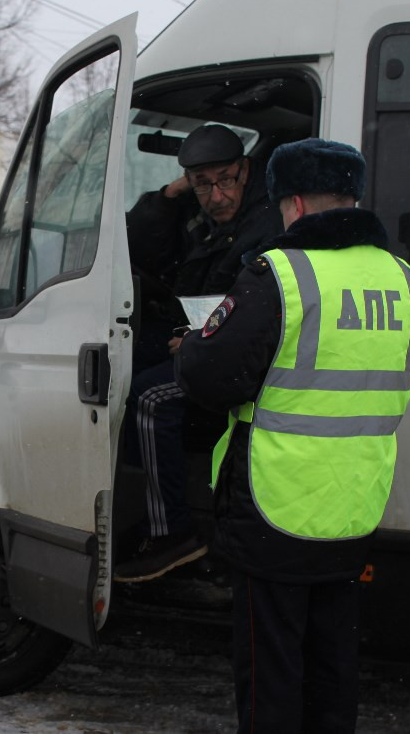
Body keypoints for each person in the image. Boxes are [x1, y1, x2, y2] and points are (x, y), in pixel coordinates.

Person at [176, 138, 410, 733]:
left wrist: (190, 346)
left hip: (276, 501)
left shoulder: (280, 274)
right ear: (349, 197)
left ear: (291, 203)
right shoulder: (406, 280)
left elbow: (212, 378)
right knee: (332, 658)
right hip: (352, 500)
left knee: (271, 668)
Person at [115, 124, 282, 582]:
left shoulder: (265, 221)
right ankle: (135, 500)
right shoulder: (197, 207)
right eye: (202, 183)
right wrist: (169, 195)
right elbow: (132, 242)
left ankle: (175, 534)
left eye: (225, 179)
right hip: (193, 331)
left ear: (245, 170)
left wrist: (200, 338)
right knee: (114, 364)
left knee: (151, 397)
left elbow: (253, 306)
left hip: (231, 351)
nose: (216, 195)